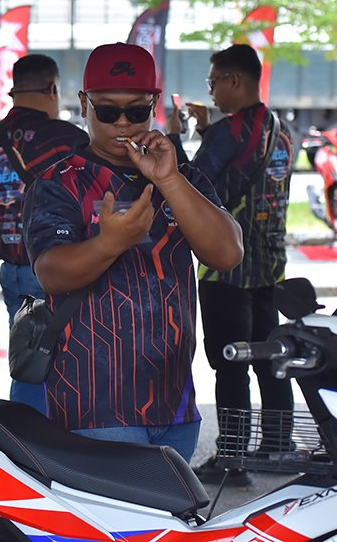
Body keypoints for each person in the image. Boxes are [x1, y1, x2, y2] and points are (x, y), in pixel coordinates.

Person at [22, 42, 243, 463]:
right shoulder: (59, 182)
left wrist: (170, 180)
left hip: (175, 407)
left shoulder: (182, 177)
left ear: (154, 105)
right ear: (84, 104)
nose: (122, 123)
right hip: (97, 408)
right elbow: (51, 273)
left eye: (137, 111)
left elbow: (227, 253)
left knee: (169, 510)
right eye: (107, 111)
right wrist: (110, 243)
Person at [167, 43, 295, 486]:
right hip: (270, 266)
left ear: (234, 80)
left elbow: (191, 187)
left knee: (230, 363)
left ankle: (233, 459)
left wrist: (175, 139)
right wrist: (210, 132)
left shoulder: (228, 133)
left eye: (213, 82)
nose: (211, 92)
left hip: (226, 268)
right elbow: (244, 171)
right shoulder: (281, 129)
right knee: (271, 359)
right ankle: (278, 446)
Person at [0, 54, 89, 414]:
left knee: (29, 362)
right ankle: (67, 444)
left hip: (13, 273)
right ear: (53, 89)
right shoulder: (67, 139)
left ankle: (25, 443)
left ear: (14, 90)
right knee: (76, 365)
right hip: (63, 270)